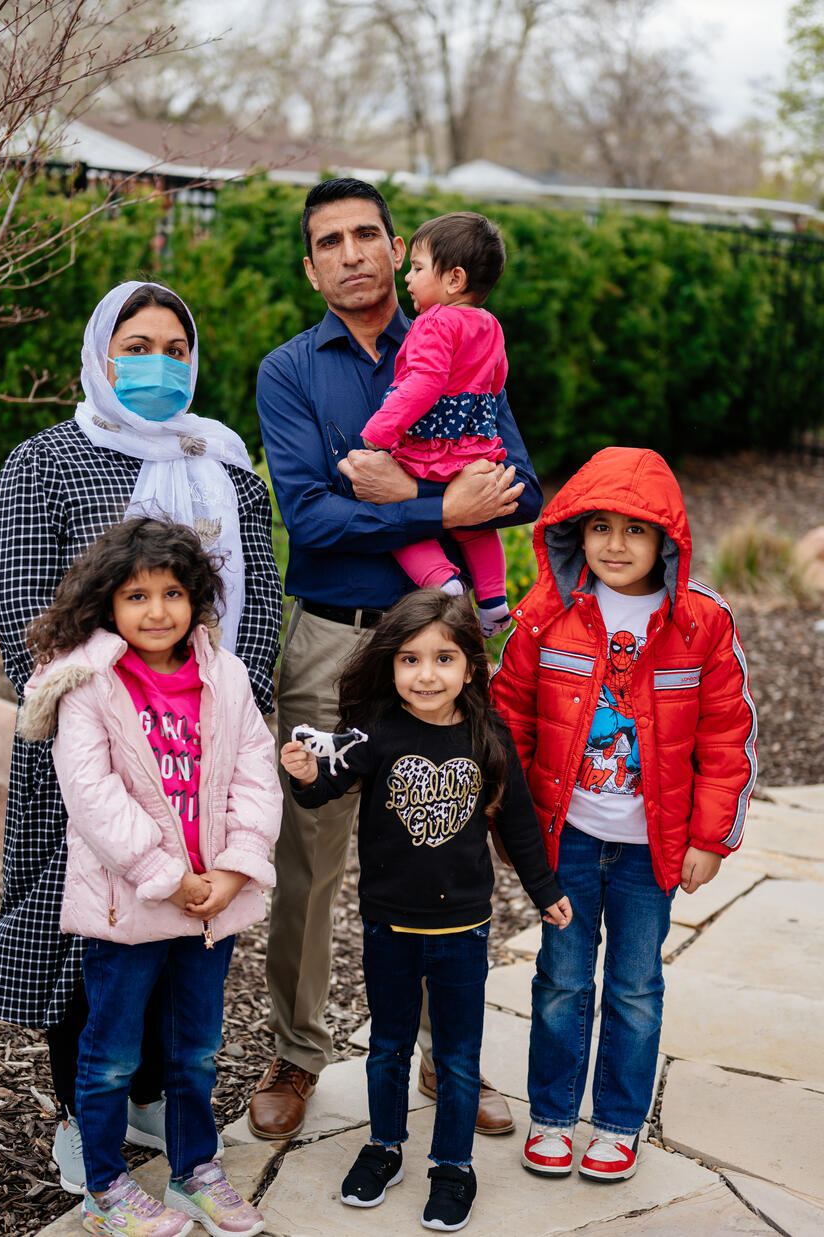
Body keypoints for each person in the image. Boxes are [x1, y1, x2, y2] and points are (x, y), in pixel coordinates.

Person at [251, 177, 543, 1140]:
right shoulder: (291, 371)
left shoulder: (460, 336)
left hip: (441, 646)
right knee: (311, 860)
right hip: (332, 637)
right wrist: (434, 511)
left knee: (440, 841)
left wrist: (435, 501)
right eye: (328, 240)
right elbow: (311, 518)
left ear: (399, 246)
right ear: (311, 264)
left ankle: (440, 1053)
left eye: (368, 234)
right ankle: (296, 1052)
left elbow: (523, 486)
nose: (351, 253)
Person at [0, 282, 281, 1192]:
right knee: (95, 931)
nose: (159, 362)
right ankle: (83, 1113)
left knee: (187, 932)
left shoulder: (221, 461)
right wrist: (111, 711)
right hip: (95, 751)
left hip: (206, 749)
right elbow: (27, 612)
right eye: (136, 344)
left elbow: (255, 597)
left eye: (176, 347)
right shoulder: (47, 462)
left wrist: (231, 706)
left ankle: (150, 1095)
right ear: (100, 354)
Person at [491, 446, 757, 1183]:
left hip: (652, 848)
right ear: (574, 531)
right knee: (563, 979)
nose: (615, 545)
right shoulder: (546, 614)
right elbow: (508, 718)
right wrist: (509, 824)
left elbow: (726, 731)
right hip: (565, 838)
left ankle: (615, 1123)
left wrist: (711, 835)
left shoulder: (700, 624)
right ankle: (551, 1115)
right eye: (600, 526)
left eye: (636, 530)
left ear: (667, 541)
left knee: (636, 985)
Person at [17, 517, 280, 1237]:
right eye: (137, 595)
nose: (157, 610)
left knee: (194, 1048)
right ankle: (104, 1185)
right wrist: (168, 874)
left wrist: (231, 868)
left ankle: (196, 1169)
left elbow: (257, 770)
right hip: (130, 903)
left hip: (209, 903)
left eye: (171, 592)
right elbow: (92, 794)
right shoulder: (90, 685)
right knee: (112, 1054)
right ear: (108, 604)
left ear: (196, 597)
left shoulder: (223, 674)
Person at [280, 590, 571, 1231]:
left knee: (460, 1057)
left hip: (464, 929)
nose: (426, 674)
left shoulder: (487, 735)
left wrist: (545, 891)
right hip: (389, 924)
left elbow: (519, 822)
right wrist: (304, 774)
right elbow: (321, 792)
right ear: (390, 667)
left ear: (470, 665)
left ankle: (453, 1164)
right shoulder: (377, 732)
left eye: (443, 658)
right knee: (387, 1049)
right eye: (409, 659)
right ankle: (384, 1147)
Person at [361, 212, 513, 638]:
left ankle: (444, 584)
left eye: (418, 267)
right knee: (475, 524)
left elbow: (424, 384)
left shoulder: (435, 322)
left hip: (430, 448)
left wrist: (379, 433)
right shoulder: (490, 323)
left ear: (454, 279)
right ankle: (495, 602)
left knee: (392, 513)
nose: (407, 277)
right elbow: (498, 379)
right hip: (476, 446)